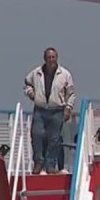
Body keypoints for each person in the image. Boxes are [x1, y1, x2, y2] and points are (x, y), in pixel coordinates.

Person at [23, 47, 76, 175]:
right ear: (45, 59)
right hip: (40, 110)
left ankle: (50, 165)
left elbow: (71, 93)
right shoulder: (36, 73)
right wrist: (31, 93)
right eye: (49, 57)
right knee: (37, 135)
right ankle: (38, 163)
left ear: (57, 58)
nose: (51, 60)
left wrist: (69, 107)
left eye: (53, 57)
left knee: (54, 139)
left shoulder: (65, 74)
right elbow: (27, 83)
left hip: (57, 110)